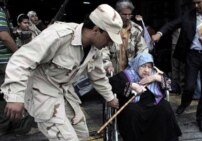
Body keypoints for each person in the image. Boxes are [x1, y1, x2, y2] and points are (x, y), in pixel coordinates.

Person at [1, 4, 122, 141]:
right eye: (109, 38)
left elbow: (98, 76)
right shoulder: (59, 35)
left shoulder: (95, 49)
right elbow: (21, 60)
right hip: (42, 92)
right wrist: (15, 97)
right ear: (96, 29)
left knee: (82, 135)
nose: (110, 44)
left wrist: (110, 98)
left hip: (65, 92)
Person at [152, 0, 202, 133]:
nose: (195, 6)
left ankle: (201, 118)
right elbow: (171, 25)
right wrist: (159, 34)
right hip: (192, 56)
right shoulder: (188, 15)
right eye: (194, 3)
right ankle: (185, 103)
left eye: (198, 3)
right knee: (189, 86)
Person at [109, 52, 182, 141]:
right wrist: (132, 85)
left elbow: (177, 88)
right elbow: (111, 84)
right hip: (134, 106)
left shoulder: (155, 74)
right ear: (137, 65)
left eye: (149, 67)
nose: (146, 70)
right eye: (143, 66)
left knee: (165, 106)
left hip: (153, 105)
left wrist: (156, 78)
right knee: (131, 111)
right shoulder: (127, 75)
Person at [102, 0, 148, 74]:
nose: (127, 17)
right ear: (117, 14)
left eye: (129, 14)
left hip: (130, 73)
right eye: (124, 14)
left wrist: (141, 65)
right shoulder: (109, 29)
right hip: (111, 72)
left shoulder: (136, 30)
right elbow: (103, 49)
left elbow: (143, 50)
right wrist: (107, 65)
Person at [0, 0, 18, 136]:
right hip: (4, 61)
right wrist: (19, 53)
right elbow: (4, 37)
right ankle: (5, 128)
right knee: (9, 95)